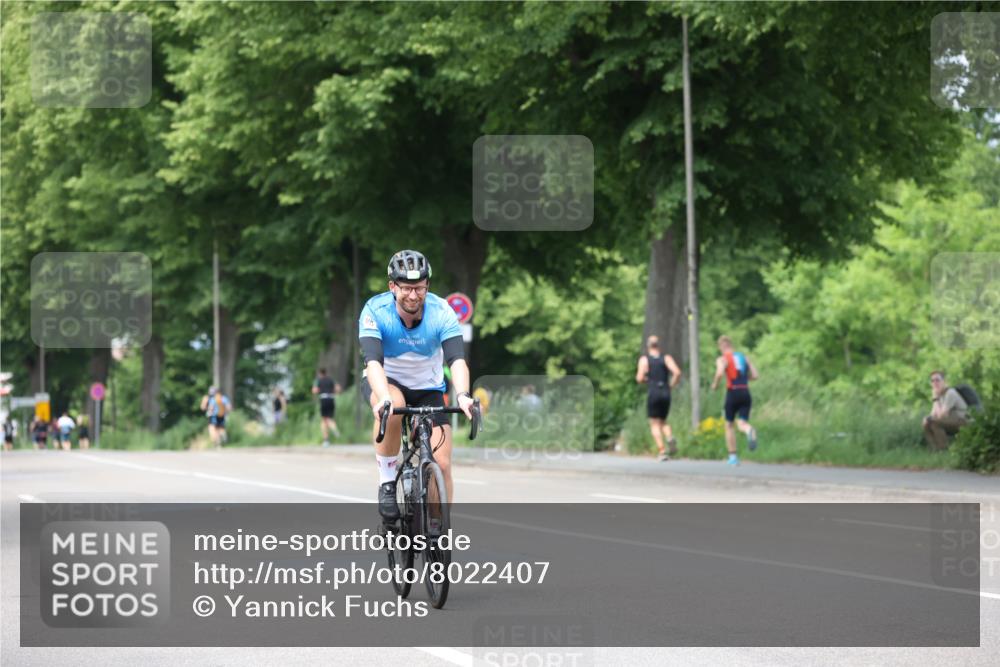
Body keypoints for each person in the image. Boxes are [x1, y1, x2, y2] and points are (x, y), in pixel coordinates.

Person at [359, 249, 474, 523]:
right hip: (387, 382)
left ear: (427, 286)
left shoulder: (442, 311)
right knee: (394, 405)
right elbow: (373, 362)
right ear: (392, 286)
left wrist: (464, 395)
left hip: (428, 388)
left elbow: (457, 359)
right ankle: (387, 482)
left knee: (442, 463)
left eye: (419, 288)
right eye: (407, 288)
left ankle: (437, 530)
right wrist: (384, 397)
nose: (413, 295)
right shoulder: (375, 310)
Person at [710, 335, 759, 465]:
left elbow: (720, 373)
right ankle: (750, 430)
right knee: (742, 423)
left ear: (721, 346)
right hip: (745, 392)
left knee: (729, 425)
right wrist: (743, 379)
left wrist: (714, 384)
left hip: (732, 393)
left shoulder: (722, 359)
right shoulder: (744, 357)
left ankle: (733, 457)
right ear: (731, 345)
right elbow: (755, 375)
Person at [636, 335, 683, 461]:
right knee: (663, 420)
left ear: (648, 346)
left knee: (654, 423)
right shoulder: (666, 358)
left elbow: (639, 378)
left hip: (654, 391)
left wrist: (647, 380)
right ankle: (669, 437)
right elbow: (677, 372)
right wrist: (671, 385)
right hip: (665, 391)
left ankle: (662, 451)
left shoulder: (645, 360)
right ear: (658, 345)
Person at [922, 370, 969, 451]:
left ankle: (943, 449)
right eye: (932, 381)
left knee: (934, 423)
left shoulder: (950, 393)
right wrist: (927, 419)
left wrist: (935, 399)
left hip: (963, 421)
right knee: (927, 423)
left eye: (937, 380)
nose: (935, 383)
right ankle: (934, 449)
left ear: (944, 381)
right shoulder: (939, 394)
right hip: (951, 421)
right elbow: (933, 415)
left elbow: (941, 416)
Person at [312, 369, 340, 446]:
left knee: (324, 420)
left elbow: (314, 390)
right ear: (326, 373)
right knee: (330, 418)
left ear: (319, 374)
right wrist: (332, 391)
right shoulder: (331, 380)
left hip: (323, 399)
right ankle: (334, 428)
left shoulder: (318, 380)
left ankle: (326, 440)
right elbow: (338, 388)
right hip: (331, 398)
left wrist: (319, 390)